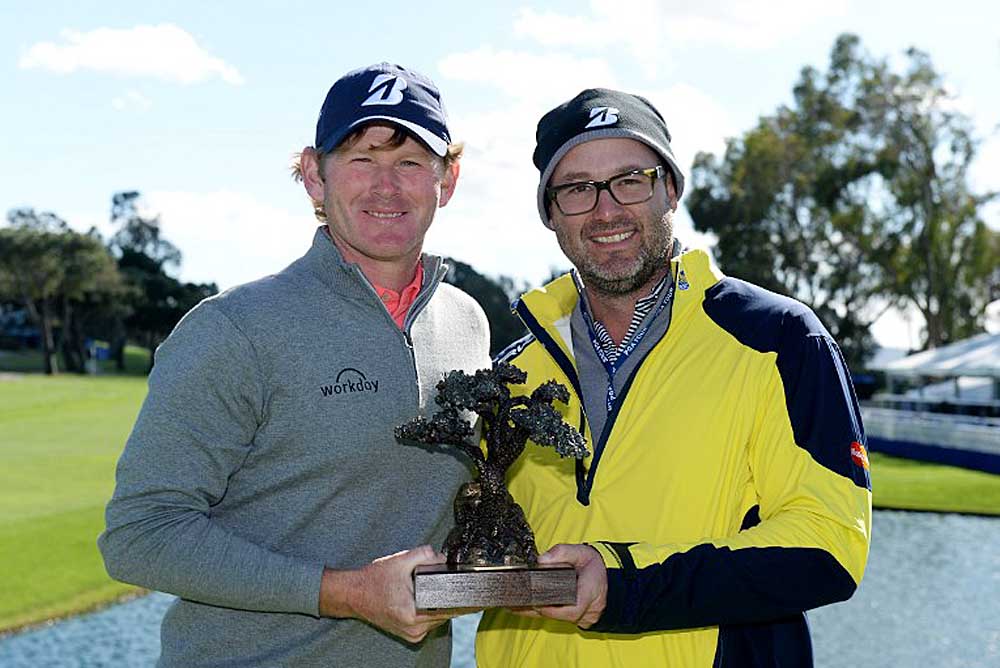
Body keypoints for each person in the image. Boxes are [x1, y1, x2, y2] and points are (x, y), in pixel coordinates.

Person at [98, 63, 491, 667]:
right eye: (361, 159)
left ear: (449, 178)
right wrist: (347, 594)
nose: (386, 187)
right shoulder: (232, 329)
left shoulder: (468, 323)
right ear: (313, 175)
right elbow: (140, 535)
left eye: (411, 162)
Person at [476, 88, 872, 666]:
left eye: (630, 179)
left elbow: (829, 547)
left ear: (671, 190)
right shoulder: (510, 375)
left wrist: (624, 583)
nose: (606, 210)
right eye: (578, 189)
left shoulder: (779, 339)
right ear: (552, 215)